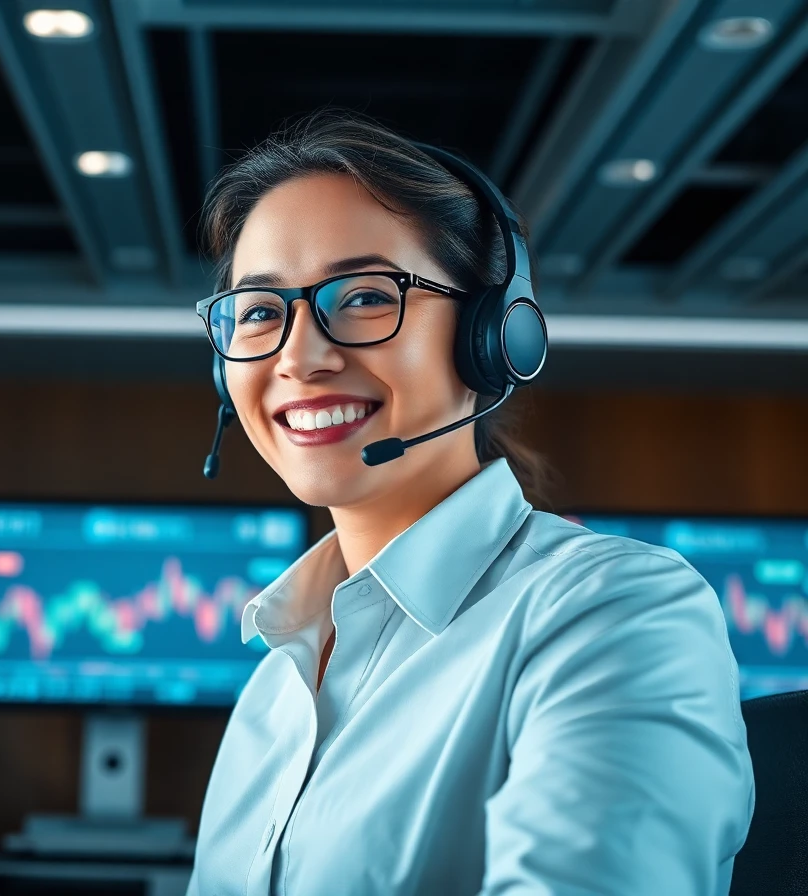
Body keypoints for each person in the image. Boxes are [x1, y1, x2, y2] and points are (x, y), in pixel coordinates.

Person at [186, 111, 754, 896]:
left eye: (364, 296)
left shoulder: (614, 612)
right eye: (258, 312)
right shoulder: (273, 686)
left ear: (491, 337)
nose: (300, 356)